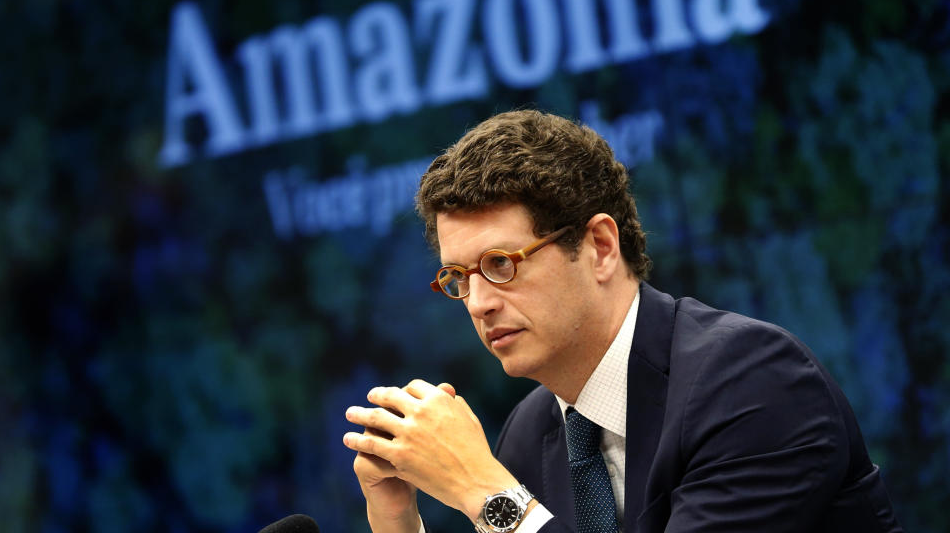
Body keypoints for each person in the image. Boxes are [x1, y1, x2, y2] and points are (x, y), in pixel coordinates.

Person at [342, 109, 903, 533]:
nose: (477, 302)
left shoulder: (751, 382)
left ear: (601, 247)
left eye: (500, 265)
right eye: (460, 277)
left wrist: (485, 493)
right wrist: (399, 523)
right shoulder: (530, 433)